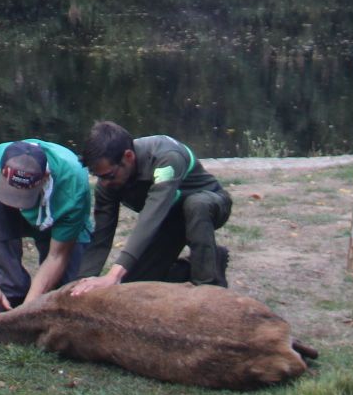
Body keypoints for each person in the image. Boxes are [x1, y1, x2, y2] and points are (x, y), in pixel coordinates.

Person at [69, 120, 232, 295]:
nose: (105, 183)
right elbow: (101, 237)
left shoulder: (167, 159)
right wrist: (79, 285)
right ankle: (202, 264)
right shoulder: (107, 182)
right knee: (132, 287)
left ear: (128, 157)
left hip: (209, 206)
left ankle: (207, 286)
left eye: (109, 176)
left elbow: (151, 217)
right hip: (169, 220)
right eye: (98, 177)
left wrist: (113, 275)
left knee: (195, 205)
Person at [0, 138, 92, 313]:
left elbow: (57, 256)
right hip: (7, 213)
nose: (17, 203)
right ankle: (12, 287)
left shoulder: (72, 184)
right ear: (2, 171)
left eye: (23, 195)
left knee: (68, 297)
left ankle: (29, 300)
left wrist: (26, 310)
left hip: (57, 213)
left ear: (45, 177)